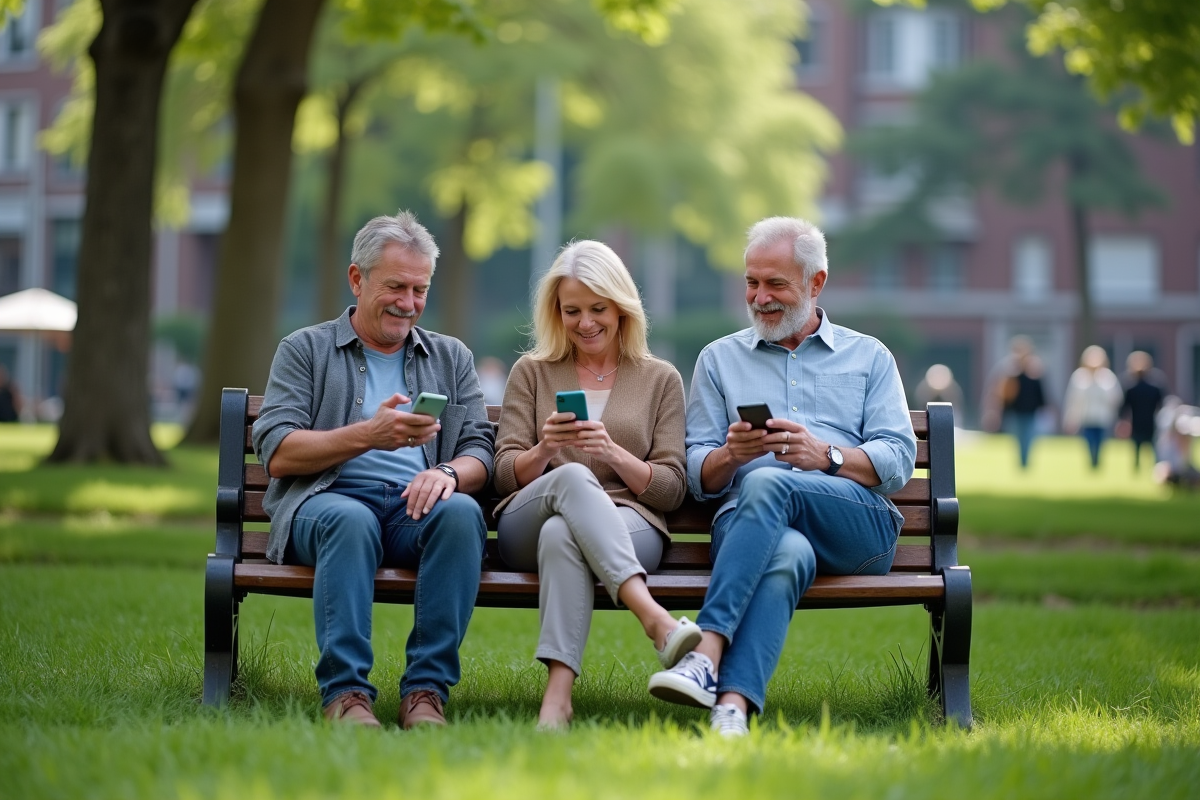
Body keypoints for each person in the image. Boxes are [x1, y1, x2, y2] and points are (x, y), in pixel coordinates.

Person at [647, 217, 916, 737]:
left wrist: (828, 456)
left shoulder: (869, 356)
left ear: (816, 284)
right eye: (752, 282)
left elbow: (899, 456)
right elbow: (697, 474)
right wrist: (729, 455)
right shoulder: (719, 360)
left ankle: (706, 651)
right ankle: (732, 707)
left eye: (776, 284)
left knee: (768, 481)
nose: (760, 296)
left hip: (854, 527)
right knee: (787, 551)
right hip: (749, 526)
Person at [252, 210, 495, 729]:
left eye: (419, 289)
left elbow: (481, 449)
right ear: (357, 279)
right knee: (350, 520)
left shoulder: (450, 357)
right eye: (396, 287)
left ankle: (426, 693)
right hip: (326, 505)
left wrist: (448, 475)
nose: (409, 304)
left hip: (416, 507)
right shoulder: (305, 350)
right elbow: (275, 450)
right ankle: (346, 696)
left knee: (461, 516)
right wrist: (368, 435)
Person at [492, 239, 699, 730]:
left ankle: (557, 701)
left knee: (563, 535)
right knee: (570, 478)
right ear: (555, 312)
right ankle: (655, 619)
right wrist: (544, 450)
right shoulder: (532, 372)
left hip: (630, 526)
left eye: (597, 308)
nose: (585, 323)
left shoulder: (660, 379)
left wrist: (613, 452)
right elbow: (502, 475)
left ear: (621, 307)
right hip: (530, 517)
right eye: (572, 311)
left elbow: (671, 488)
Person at [986, 336, 1047, 469]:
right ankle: (1021, 461)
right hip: (1016, 411)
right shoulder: (1009, 371)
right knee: (1019, 438)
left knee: (1029, 437)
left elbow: (1040, 391)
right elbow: (1002, 393)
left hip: (1031, 411)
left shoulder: (1035, 371)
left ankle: (1025, 461)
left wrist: (1043, 406)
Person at [1063, 345, 1123, 470]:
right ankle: (1091, 462)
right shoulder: (1079, 376)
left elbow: (1115, 398)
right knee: (1089, 441)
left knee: (1101, 442)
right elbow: (1073, 399)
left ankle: (1098, 463)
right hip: (1086, 417)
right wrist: (1070, 418)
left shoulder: (1107, 377)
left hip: (1103, 417)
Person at [1118, 351, 1166, 470]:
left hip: (1137, 421)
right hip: (1151, 420)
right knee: (1153, 445)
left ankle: (1137, 466)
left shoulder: (1130, 387)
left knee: (1137, 444)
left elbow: (1124, 406)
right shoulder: (1155, 386)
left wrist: (1122, 420)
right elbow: (1162, 404)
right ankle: (1156, 465)